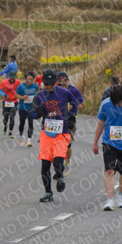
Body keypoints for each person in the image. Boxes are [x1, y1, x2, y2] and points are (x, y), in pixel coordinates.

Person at [33, 69, 78, 203]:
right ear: (43, 83)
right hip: (47, 133)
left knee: (58, 161)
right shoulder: (40, 96)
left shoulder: (64, 92)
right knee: (45, 164)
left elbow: (75, 103)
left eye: (52, 84)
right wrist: (37, 112)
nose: (49, 87)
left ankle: (60, 176)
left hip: (61, 132)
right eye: (47, 84)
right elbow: (33, 113)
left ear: (55, 82)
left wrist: (72, 118)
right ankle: (48, 192)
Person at [56, 71, 84, 167]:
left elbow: (82, 105)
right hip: (57, 121)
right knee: (57, 143)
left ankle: (67, 161)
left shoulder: (74, 90)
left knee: (67, 144)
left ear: (68, 81)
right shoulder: (54, 90)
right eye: (60, 83)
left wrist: (73, 105)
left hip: (70, 120)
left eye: (64, 82)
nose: (62, 85)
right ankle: (58, 163)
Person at [16, 72, 39, 147]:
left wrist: (36, 98)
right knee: (22, 123)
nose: (29, 81)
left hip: (31, 108)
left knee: (30, 123)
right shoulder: (21, 86)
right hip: (22, 108)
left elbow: (38, 92)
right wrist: (22, 97)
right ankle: (21, 137)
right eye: (28, 79)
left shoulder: (35, 86)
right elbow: (16, 95)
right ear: (25, 79)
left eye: (31, 79)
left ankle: (29, 140)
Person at [0, 71, 22, 137]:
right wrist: (4, 94)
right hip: (6, 101)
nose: (12, 79)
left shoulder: (18, 82)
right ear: (9, 77)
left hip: (14, 101)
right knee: (5, 117)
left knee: (12, 117)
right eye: (11, 78)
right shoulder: (4, 82)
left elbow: (22, 88)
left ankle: (10, 132)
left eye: (14, 78)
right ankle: (5, 126)